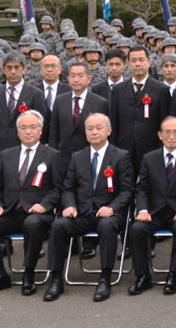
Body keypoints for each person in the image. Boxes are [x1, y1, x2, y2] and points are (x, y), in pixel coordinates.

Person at [43, 113, 134, 302]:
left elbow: (127, 190)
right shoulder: (78, 157)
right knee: (58, 226)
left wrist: (112, 208)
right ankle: (56, 279)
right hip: (82, 213)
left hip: (109, 213)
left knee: (107, 226)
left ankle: (105, 278)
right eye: (90, 129)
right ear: (85, 132)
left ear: (109, 131)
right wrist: (69, 205)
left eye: (99, 128)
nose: (94, 132)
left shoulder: (121, 156)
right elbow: (68, 188)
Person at [0, 110, 63, 296]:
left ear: (40, 130)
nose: (28, 131)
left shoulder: (52, 155)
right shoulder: (6, 154)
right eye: (23, 128)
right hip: (9, 211)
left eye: (32, 127)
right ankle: (0, 273)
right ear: (17, 132)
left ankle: (28, 273)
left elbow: (58, 188)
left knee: (32, 224)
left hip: (37, 213)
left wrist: (45, 205)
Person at [126, 116, 176, 295]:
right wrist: (143, 209)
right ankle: (142, 276)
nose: (171, 136)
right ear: (159, 135)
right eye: (167, 132)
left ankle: (174, 274)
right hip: (155, 212)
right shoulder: (149, 159)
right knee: (137, 229)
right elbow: (142, 188)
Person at [0, 53, 47, 172]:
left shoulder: (35, 94)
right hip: (0, 153)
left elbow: (41, 127)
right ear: (3, 70)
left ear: (24, 69)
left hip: (27, 152)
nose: (13, 71)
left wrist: (39, 154)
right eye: (9, 67)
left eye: (17, 67)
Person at [51, 62, 109, 153]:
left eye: (80, 76)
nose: (76, 79)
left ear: (89, 79)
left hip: (88, 154)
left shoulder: (100, 103)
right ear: (68, 79)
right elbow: (54, 131)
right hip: (63, 155)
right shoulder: (60, 100)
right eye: (73, 76)